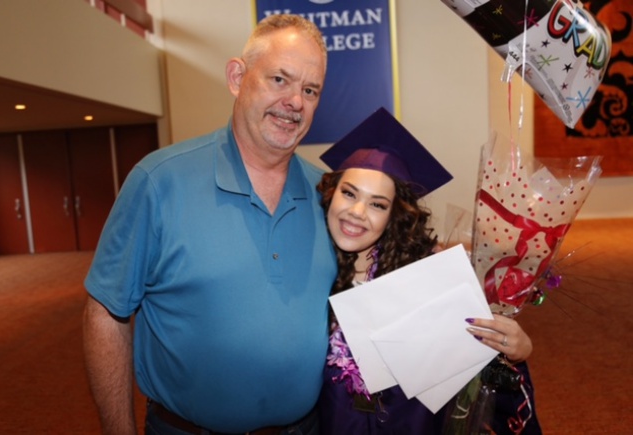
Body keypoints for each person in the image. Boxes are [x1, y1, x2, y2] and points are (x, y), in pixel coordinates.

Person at [82, 14, 337, 435]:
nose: (295, 101)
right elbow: (105, 314)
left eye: (310, 90)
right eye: (279, 79)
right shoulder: (159, 182)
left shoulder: (327, 195)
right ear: (237, 77)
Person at [315, 107, 542, 434]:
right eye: (349, 193)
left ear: (395, 214)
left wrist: (518, 350)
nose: (357, 213)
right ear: (330, 193)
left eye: (378, 204)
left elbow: (479, 362)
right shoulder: (307, 267)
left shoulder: (425, 275)